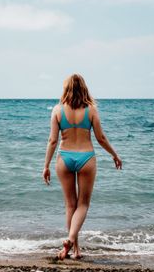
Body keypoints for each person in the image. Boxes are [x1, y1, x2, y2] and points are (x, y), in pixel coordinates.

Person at [43, 74, 122, 260]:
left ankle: (74, 249)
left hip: (65, 158)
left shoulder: (57, 110)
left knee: (70, 205)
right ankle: (71, 241)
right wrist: (115, 155)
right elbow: (101, 138)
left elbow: (53, 140)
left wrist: (46, 165)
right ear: (84, 88)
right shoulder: (91, 110)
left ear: (66, 89)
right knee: (83, 204)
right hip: (86, 157)